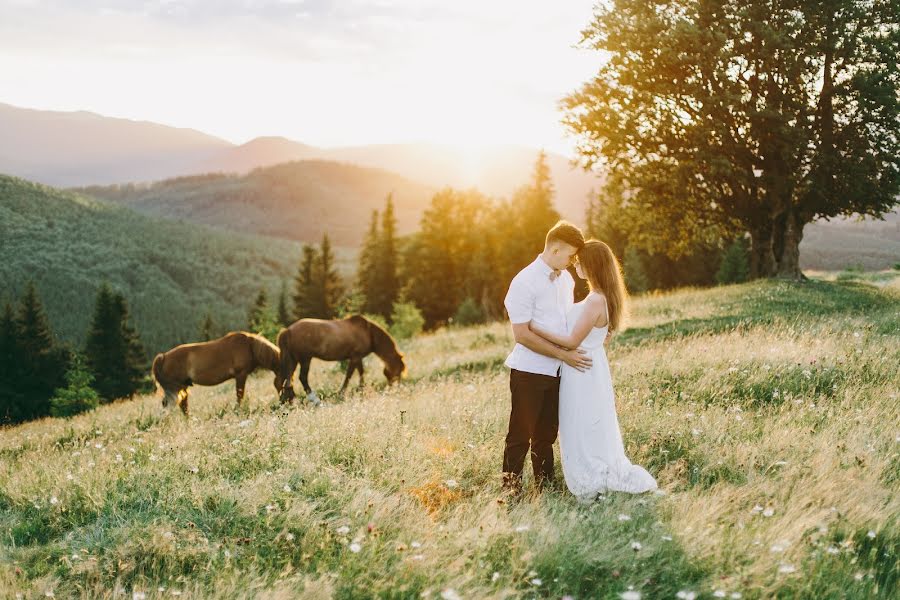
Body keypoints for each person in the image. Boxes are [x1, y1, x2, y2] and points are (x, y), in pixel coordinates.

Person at [529, 239, 657, 501]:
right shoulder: (604, 298)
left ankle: (591, 479)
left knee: (580, 424)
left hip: (581, 369)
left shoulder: (595, 301)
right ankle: (594, 473)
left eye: (580, 261)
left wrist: (532, 327)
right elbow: (600, 336)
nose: (575, 265)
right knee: (589, 424)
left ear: (592, 266)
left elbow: (572, 341)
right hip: (591, 365)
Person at [501, 220, 591, 494]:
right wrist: (564, 356)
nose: (572, 261)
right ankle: (510, 490)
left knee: (546, 435)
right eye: (570, 255)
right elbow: (522, 335)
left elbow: (565, 322)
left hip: (558, 372)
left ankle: (546, 487)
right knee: (520, 435)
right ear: (554, 249)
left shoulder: (566, 279)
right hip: (530, 371)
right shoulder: (523, 282)